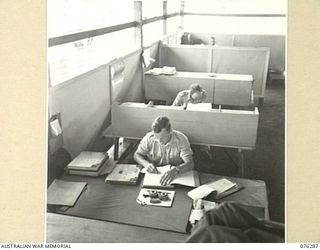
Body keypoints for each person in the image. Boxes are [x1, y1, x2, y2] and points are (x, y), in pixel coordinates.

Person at [134, 116, 194, 186]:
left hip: (175, 176)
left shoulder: (181, 139)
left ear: (170, 131)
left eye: (162, 138)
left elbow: (190, 164)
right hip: (154, 175)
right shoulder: (149, 138)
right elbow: (137, 155)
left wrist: (176, 170)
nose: (159, 141)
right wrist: (146, 164)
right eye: (156, 137)